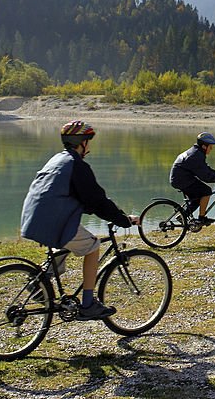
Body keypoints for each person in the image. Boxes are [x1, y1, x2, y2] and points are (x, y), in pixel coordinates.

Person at [20, 120, 139, 320]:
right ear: (82, 142)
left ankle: (40, 281)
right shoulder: (77, 165)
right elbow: (97, 200)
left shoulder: (57, 159)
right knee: (92, 246)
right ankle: (88, 304)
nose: (89, 147)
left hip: (32, 217)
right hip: (53, 220)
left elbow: (76, 198)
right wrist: (123, 219)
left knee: (67, 240)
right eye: (88, 142)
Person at [170, 132, 215, 226]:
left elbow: (206, 169)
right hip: (181, 179)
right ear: (204, 146)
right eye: (210, 146)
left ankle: (183, 216)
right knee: (206, 191)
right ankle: (201, 218)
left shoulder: (196, 152)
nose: (212, 148)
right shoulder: (196, 156)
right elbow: (205, 176)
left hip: (180, 178)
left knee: (197, 198)